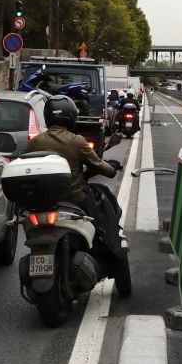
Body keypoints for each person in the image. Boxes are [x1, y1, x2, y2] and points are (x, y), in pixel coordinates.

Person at [26, 96, 123, 258]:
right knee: (103, 211)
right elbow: (101, 167)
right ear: (71, 117)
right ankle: (107, 245)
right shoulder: (77, 141)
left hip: (40, 202)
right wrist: (112, 168)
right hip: (74, 199)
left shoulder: (34, 142)